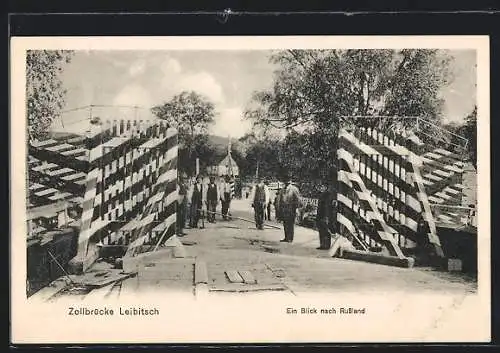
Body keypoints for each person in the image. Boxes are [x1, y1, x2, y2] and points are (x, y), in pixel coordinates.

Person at [280, 177, 302, 243]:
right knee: (285, 223)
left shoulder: (294, 189)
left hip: (291, 209)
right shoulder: (283, 189)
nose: (287, 183)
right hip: (284, 209)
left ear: (290, 182)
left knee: (290, 224)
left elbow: (298, 200)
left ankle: (290, 238)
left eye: (288, 182)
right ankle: (286, 237)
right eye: (285, 182)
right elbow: (281, 199)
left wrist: (297, 209)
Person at [316, 183, 334, 249]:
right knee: (321, 230)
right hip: (321, 215)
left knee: (325, 231)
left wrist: (326, 217)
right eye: (321, 187)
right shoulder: (322, 195)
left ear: (326, 188)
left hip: (323, 215)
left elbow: (327, 207)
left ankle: (325, 245)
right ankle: (323, 245)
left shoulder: (327, 195)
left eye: (323, 187)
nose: (321, 188)